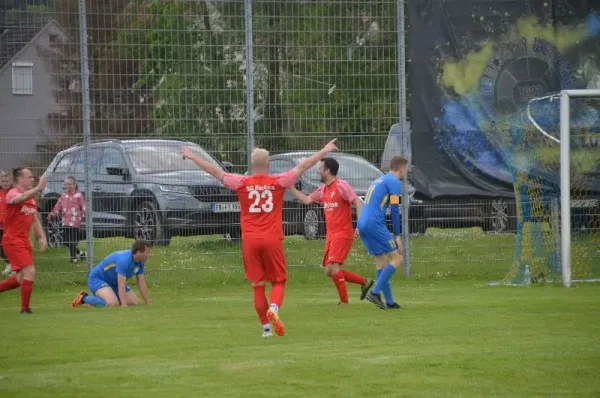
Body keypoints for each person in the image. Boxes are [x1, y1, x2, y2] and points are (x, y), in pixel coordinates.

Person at [181, 139, 338, 337]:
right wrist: (323, 149)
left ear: (252, 165)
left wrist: (193, 156)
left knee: (257, 285)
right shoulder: (278, 181)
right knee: (279, 281)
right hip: (272, 239)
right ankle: (274, 308)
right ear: (269, 165)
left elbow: (216, 172)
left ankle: (265, 329)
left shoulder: (241, 182)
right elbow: (303, 165)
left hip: (250, 241)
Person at [288, 158, 374, 304]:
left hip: (343, 233)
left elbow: (358, 202)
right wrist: (290, 186)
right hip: (331, 235)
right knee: (329, 270)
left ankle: (344, 302)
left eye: (320, 168)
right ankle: (365, 282)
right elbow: (307, 200)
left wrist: (359, 226)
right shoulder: (323, 189)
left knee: (333, 268)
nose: (318, 171)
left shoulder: (341, 186)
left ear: (327, 171)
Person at [357, 156, 408, 310]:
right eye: (406, 170)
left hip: (363, 222)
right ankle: (375, 292)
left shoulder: (380, 179)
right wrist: (398, 236)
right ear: (402, 169)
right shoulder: (394, 182)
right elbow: (394, 209)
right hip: (374, 223)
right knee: (398, 257)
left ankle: (390, 302)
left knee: (381, 261)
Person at [0, 167, 48, 314]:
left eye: (33, 178)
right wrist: (39, 188)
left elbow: (34, 219)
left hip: (23, 241)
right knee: (30, 272)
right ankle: (25, 309)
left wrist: (42, 237)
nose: (33, 180)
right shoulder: (12, 193)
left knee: (21, 278)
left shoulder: (31, 198)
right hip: (12, 240)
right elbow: (17, 199)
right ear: (20, 179)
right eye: (30, 177)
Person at [71, 239, 152, 308]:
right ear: (138, 252)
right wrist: (124, 306)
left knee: (135, 302)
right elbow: (121, 285)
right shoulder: (124, 260)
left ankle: (104, 297)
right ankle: (84, 298)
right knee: (113, 303)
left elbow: (141, 283)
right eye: (147, 252)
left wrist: (148, 303)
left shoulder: (140, 262)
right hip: (97, 279)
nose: (150, 255)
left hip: (114, 283)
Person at [47, 176, 87, 264]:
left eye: (69, 184)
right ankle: (81, 253)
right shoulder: (63, 196)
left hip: (75, 221)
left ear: (74, 185)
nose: (67, 186)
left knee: (72, 239)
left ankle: (73, 259)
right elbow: (58, 206)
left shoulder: (78, 195)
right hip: (65, 221)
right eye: (66, 184)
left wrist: (86, 214)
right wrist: (52, 214)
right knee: (65, 240)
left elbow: (84, 207)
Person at [0, 171, 13, 275]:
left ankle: (15, 266)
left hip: (10, 225)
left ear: (11, 181)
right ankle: (9, 264)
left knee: (10, 246)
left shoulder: (13, 192)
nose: (5, 183)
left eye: (7, 181)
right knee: (1, 247)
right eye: (3, 181)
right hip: (0, 224)